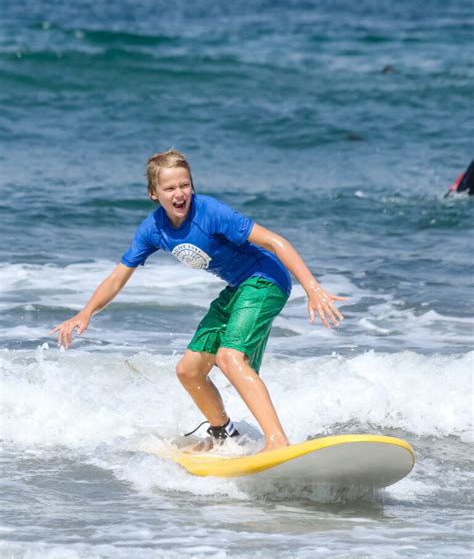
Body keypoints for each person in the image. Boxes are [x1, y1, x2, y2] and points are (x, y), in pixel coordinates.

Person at [51, 150, 347, 452]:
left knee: (230, 357)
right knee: (188, 370)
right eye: (170, 188)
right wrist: (86, 312)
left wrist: (312, 288)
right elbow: (118, 276)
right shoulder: (153, 229)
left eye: (185, 185)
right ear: (154, 193)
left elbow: (275, 241)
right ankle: (225, 435)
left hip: (265, 280)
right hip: (238, 288)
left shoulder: (211, 213)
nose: (179, 194)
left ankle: (277, 441)